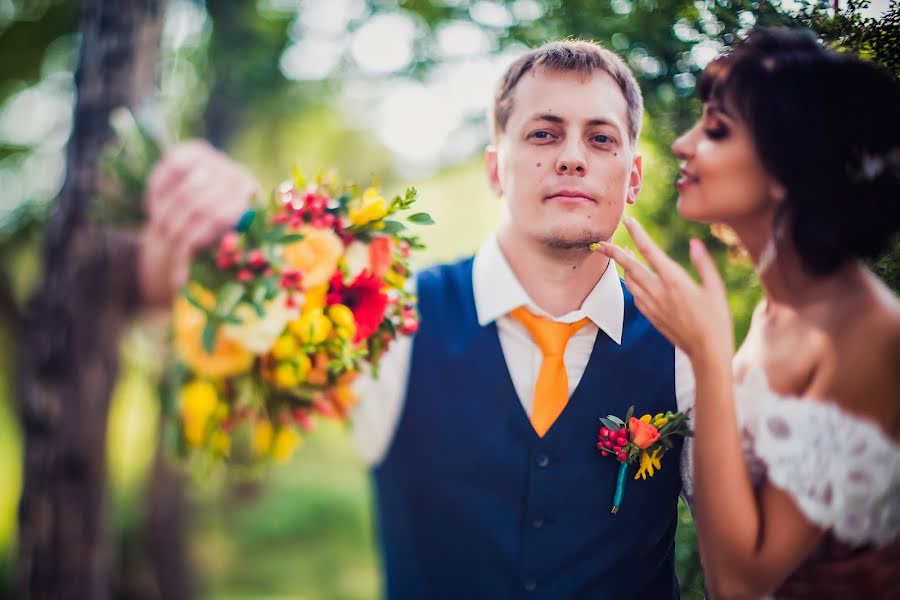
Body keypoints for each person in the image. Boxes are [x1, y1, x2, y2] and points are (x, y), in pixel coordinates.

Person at [139, 37, 897, 598]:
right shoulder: (389, 318)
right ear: (495, 167)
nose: (571, 157)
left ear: (632, 178)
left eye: (599, 139)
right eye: (543, 133)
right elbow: (240, 362)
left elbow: (750, 559)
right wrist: (235, 222)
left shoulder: (685, 342)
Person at [597, 28, 900, 599]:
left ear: (788, 167)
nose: (683, 145)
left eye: (716, 130)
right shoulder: (777, 312)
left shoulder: (867, 336)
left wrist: (708, 353)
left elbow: (738, 587)